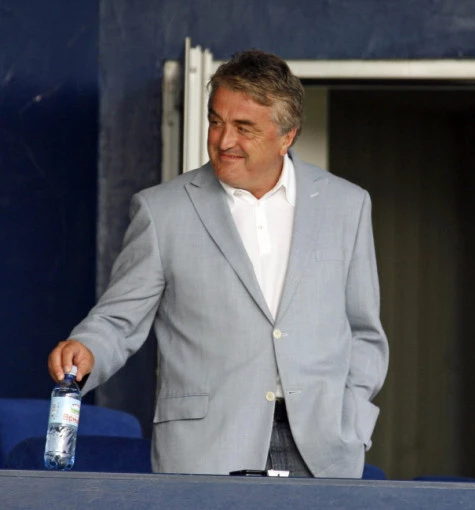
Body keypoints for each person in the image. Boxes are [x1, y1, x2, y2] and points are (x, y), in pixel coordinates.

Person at [47, 49, 389, 478]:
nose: (224, 140)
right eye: (215, 121)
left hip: (324, 450)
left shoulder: (347, 205)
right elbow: (118, 319)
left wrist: (353, 420)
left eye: (244, 128)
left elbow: (364, 333)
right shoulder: (161, 210)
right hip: (207, 448)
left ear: (287, 136)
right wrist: (87, 348)